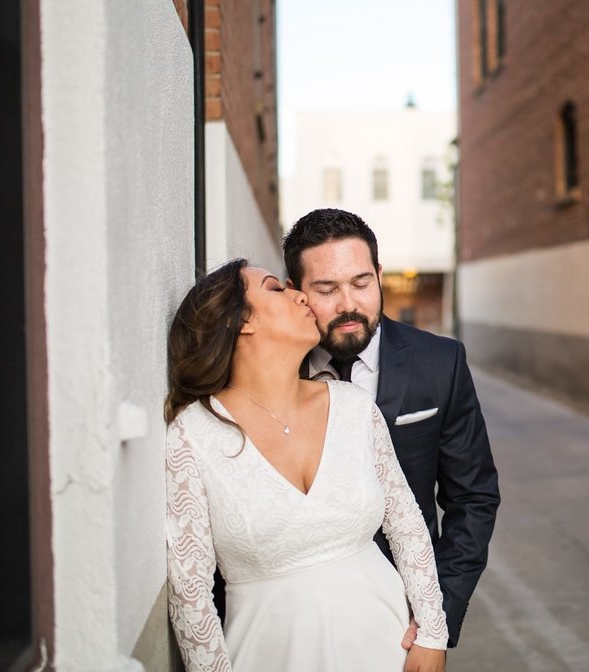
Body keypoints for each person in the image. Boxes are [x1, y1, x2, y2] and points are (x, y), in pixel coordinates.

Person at [165, 259, 448, 672]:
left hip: (389, 649)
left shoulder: (353, 406)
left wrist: (432, 633)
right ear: (241, 320)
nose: (300, 295)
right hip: (268, 655)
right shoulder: (193, 434)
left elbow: (406, 522)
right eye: (275, 289)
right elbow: (189, 591)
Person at [282, 208, 500, 649]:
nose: (348, 304)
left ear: (379, 275)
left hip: (404, 620)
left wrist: (435, 621)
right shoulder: (275, 370)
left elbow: (472, 498)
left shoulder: (442, 363)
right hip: (299, 624)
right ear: (296, 294)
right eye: (327, 289)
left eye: (361, 283)